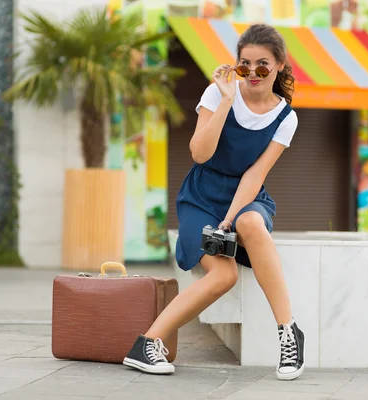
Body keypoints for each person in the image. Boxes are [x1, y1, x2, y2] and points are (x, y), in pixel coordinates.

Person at [123, 23, 305, 381]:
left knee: (251, 223)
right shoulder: (217, 94)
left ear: (280, 65)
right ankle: (147, 343)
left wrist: (231, 218)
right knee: (223, 274)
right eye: (245, 64)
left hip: (247, 197)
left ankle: (288, 333)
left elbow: (255, 175)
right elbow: (199, 154)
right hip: (201, 196)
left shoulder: (286, 117)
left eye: (263, 65)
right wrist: (225, 100)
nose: (253, 73)